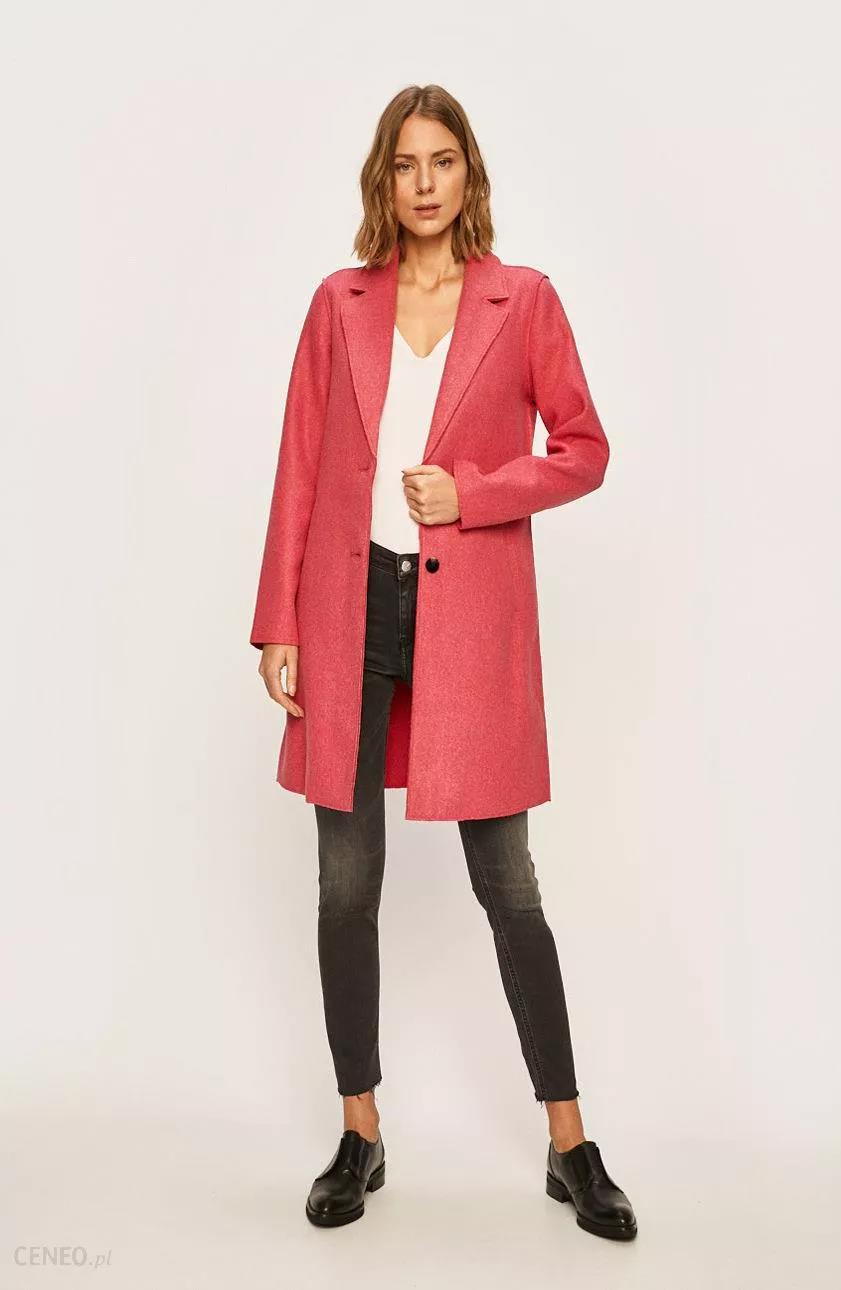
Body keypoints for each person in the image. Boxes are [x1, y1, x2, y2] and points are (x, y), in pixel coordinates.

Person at [250, 84, 637, 1241]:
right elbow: (299, 465)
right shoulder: (339, 302)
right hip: (347, 607)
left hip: (468, 619)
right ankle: (359, 1131)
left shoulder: (524, 302)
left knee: (508, 884)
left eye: (444, 162)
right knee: (346, 884)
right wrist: (279, 622)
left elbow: (584, 449)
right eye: (406, 164)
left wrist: (473, 493)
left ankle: (571, 1143)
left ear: (470, 175)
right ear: (386, 178)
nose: (424, 183)